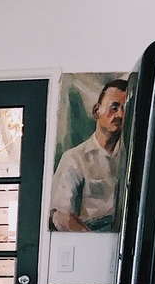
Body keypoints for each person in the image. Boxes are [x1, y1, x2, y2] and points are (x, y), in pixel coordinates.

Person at [50, 79, 128, 232]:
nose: (120, 114)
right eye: (114, 107)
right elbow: (60, 215)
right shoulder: (74, 158)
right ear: (96, 111)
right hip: (87, 234)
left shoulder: (132, 158)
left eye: (125, 109)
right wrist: (90, 238)